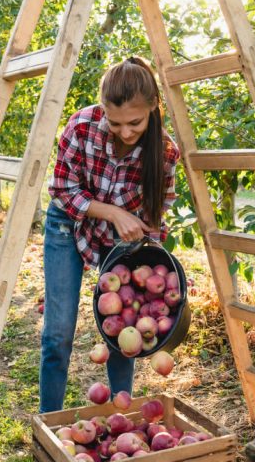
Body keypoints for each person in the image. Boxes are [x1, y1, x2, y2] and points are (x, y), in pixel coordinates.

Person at [39, 56, 181, 413]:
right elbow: (62, 188)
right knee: (58, 334)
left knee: (122, 332)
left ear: (153, 107)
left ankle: (123, 415)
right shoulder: (82, 127)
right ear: (103, 109)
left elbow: (157, 210)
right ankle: (48, 422)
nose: (126, 132)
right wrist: (114, 212)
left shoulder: (163, 152)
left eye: (135, 122)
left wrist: (154, 267)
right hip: (68, 225)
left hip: (119, 241)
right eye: (115, 123)